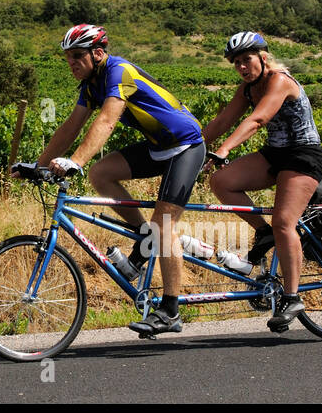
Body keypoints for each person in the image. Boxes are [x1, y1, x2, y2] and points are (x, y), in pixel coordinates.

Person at [30, 23, 206, 336]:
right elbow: (71, 127)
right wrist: (37, 165)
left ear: (98, 53)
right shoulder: (90, 84)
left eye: (78, 56)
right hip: (158, 147)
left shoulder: (118, 72)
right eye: (68, 57)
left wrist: (76, 161)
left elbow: (107, 120)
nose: (72, 63)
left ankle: (170, 310)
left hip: (185, 145)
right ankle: (145, 238)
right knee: (102, 174)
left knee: (164, 225)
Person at [201, 31, 322, 331]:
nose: (242, 68)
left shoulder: (279, 80)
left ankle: (292, 296)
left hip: (304, 155)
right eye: (237, 64)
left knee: (285, 221)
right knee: (222, 182)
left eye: (247, 60)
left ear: (263, 57)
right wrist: (189, 147)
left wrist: (224, 149)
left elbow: (256, 121)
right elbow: (223, 121)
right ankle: (266, 233)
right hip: (275, 154)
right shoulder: (247, 89)